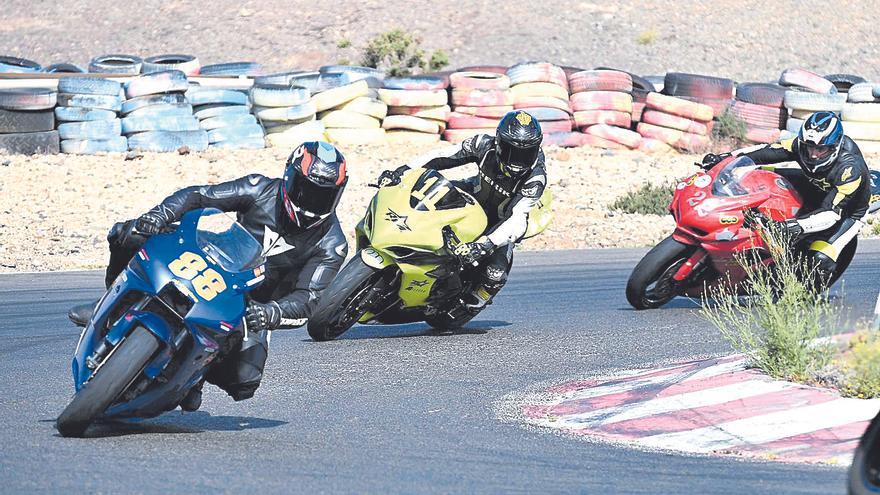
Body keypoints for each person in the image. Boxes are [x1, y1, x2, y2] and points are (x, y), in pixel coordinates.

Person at [68, 141, 349, 410]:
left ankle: (194, 377)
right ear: (289, 176)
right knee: (128, 233)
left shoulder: (332, 244)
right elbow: (198, 196)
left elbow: (308, 298)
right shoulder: (258, 188)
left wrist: (271, 312)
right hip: (212, 258)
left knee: (245, 380)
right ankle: (111, 302)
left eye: (324, 197)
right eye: (306, 191)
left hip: (251, 303)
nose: (312, 204)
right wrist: (160, 215)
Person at [376, 110, 547, 315]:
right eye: (512, 152)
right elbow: (442, 157)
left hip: (498, 221)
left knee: (495, 274)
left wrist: (485, 244)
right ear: (499, 143)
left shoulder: (535, 178)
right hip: (472, 194)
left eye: (526, 153)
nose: (518, 161)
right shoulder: (483, 145)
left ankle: (474, 302)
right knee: (425, 193)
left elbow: (517, 218)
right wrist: (402, 170)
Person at [701, 111, 871, 285]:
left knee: (820, 259)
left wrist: (794, 226)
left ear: (835, 146)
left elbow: (831, 214)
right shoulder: (801, 145)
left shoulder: (849, 170)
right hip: (815, 186)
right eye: (809, 147)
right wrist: (726, 159)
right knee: (757, 174)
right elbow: (766, 151)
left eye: (820, 149)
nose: (813, 154)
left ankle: (802, 291)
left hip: (847, 212)